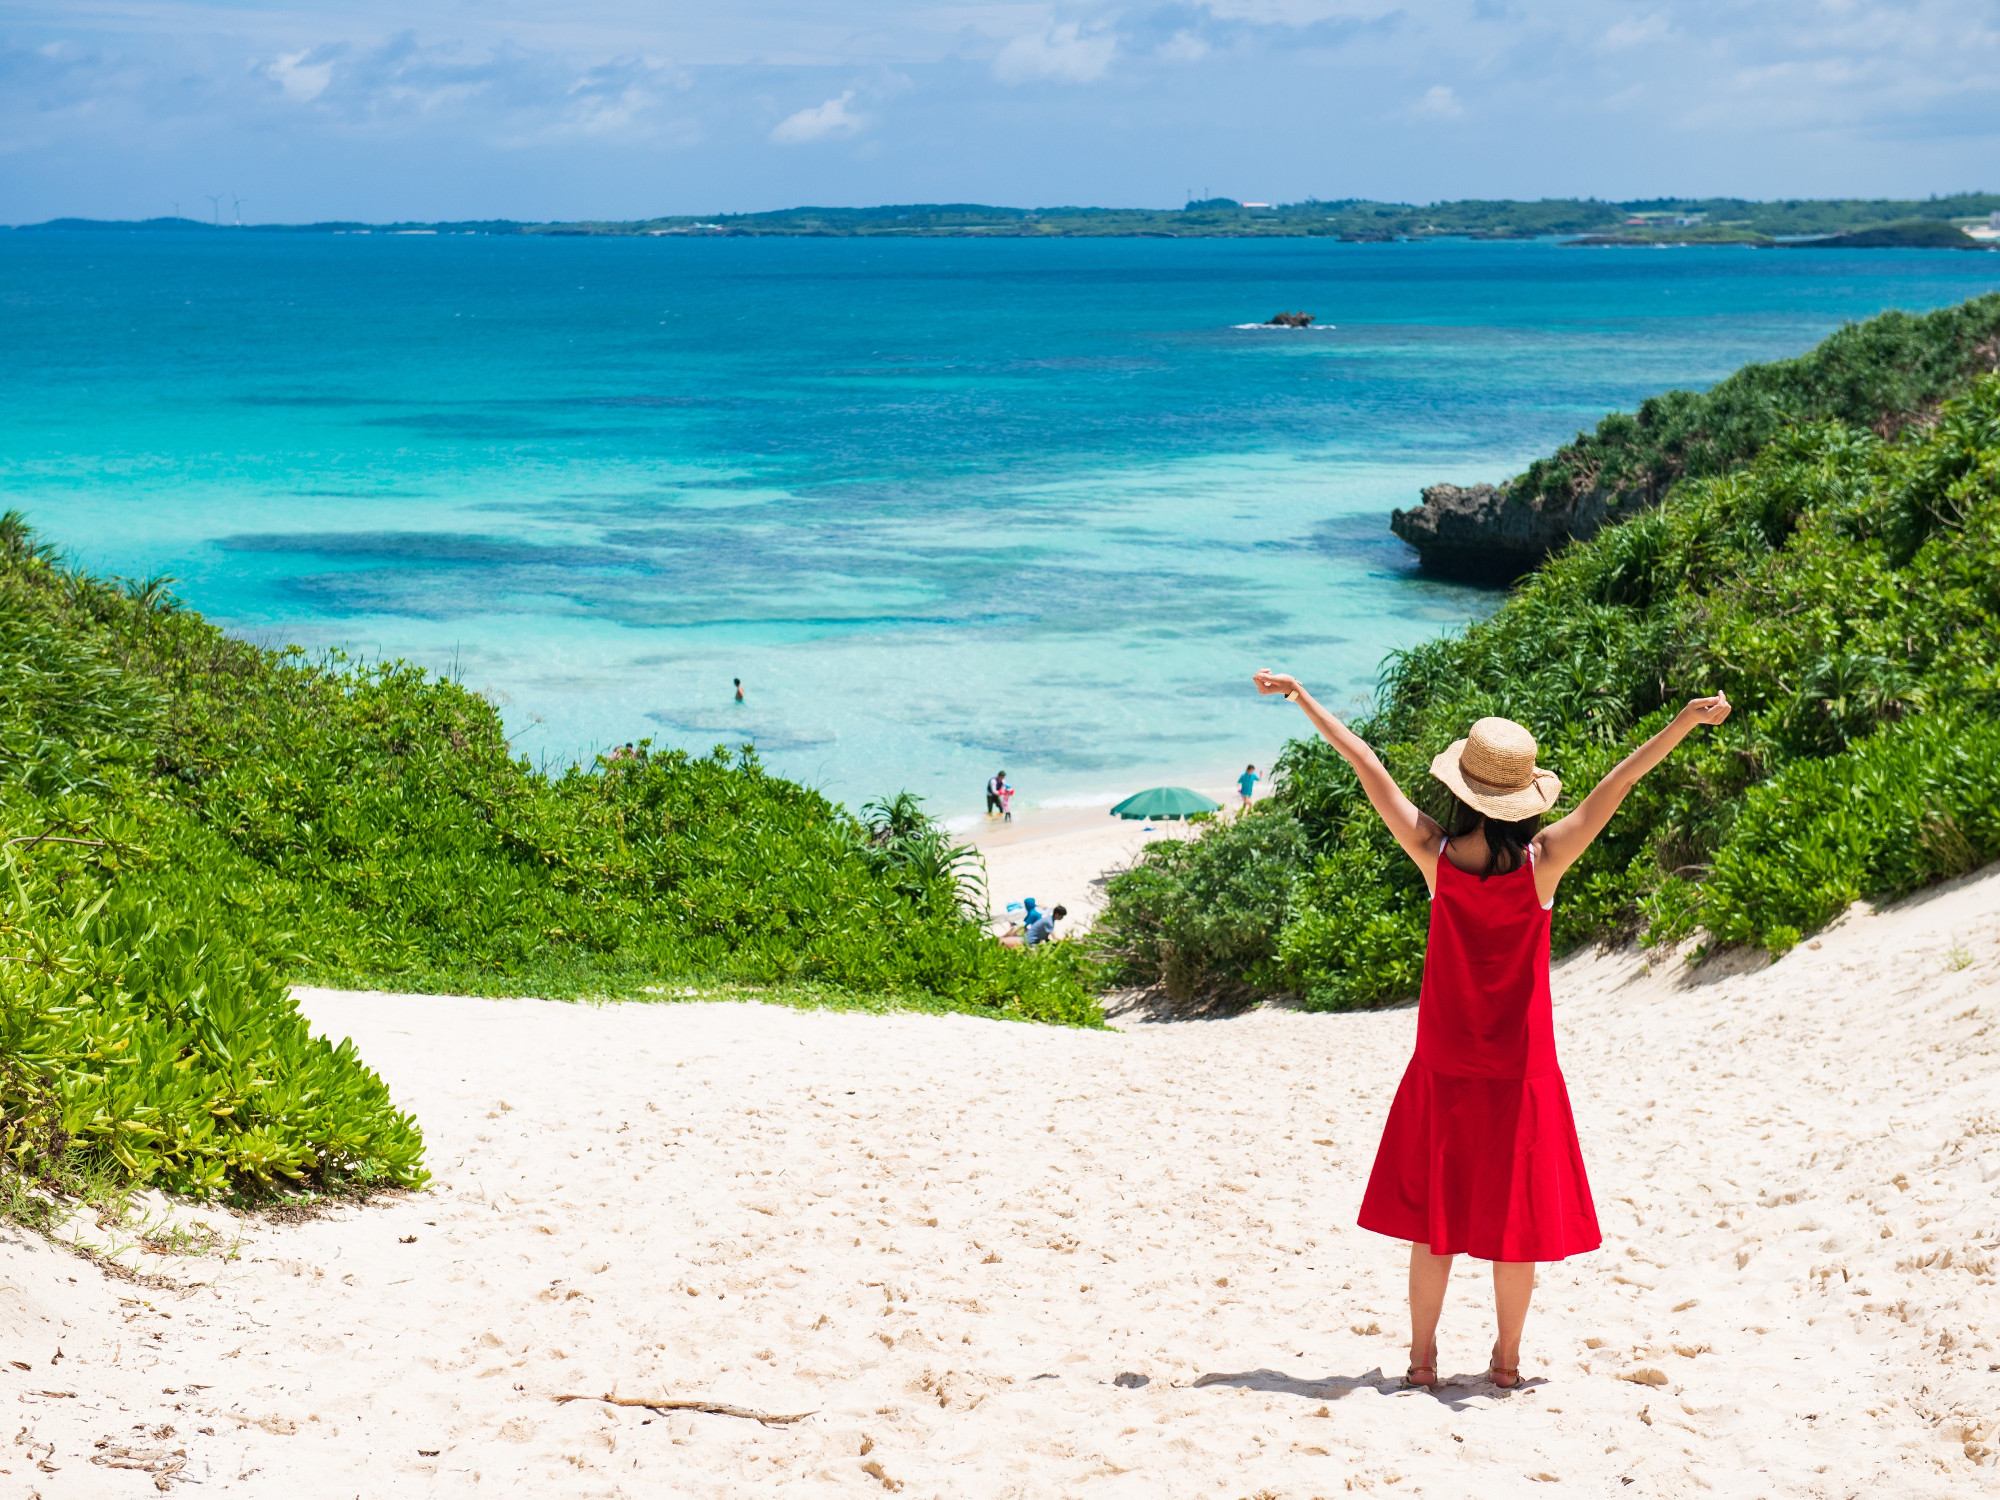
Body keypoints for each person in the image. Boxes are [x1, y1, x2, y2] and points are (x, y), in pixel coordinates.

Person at [1253, 667, 1730, 1391]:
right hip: (1522, 1068)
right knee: (1517, 1224)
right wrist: (1684, 723)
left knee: (1434, 1219)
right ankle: (1506, 1363)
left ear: (1460, 787)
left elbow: (1367, 764)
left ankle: (1421, 1361)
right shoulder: (1547, 862)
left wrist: (1301, 696)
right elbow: (1620, 783)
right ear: (1524, 796)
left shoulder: (1434, 857)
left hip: (1444, 1062)